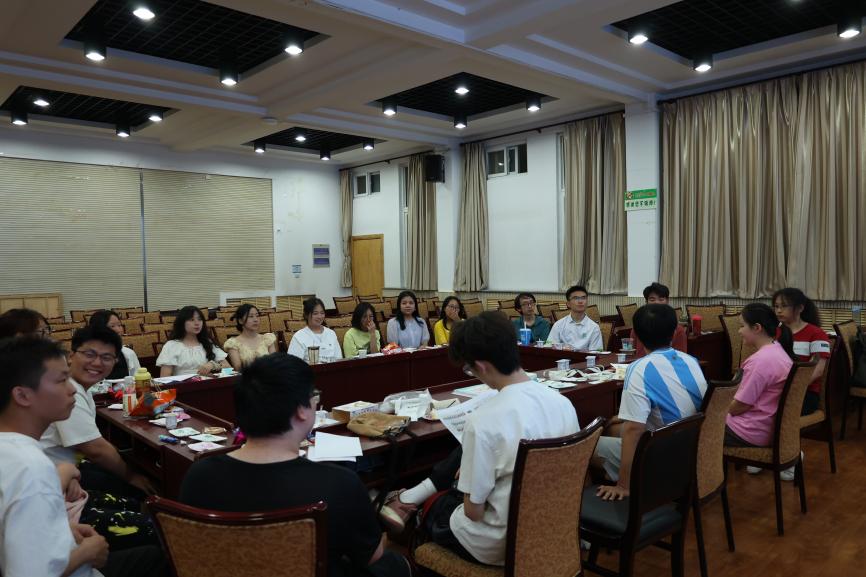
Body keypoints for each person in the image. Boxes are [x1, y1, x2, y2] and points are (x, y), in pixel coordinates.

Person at [179, 354, 411, 577]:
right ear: (301, 410)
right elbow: (371, 557)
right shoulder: (340, 484)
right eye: (314, 396)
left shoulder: (199, 475)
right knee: (394, 565)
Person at [384, 312, 579, 566]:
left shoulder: (483, 421)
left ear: (482, 366)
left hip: (500, 544)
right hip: (553, 528)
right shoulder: (563, 403)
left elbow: (473, 513)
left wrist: (466, 478)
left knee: (439, 506)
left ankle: (408, 519)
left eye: (469, 369)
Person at [0, 336, 163, 577]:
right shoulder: (32, 468)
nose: (71, 389)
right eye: (61, 380)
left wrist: (64, 532)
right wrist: (86, 553)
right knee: (162, 552)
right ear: (23, 396)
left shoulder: (11, 450)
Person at [593, 304, 707, 500]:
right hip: (693, 446)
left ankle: (621, 488)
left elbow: (634, 430)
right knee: (611, 429)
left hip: (664, 456)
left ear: (636, 335)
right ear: (674, 333)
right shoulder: (690, 360)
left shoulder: (639, 368)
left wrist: (624, 486)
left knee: (587, 446)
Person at [40, 327, 156, 498]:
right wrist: (131, 477)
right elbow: (95, 449)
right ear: (71, 356)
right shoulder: (66, 391)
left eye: (106, 357)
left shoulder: (79, 387)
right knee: (139, 492)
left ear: (115, 361)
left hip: (65, 468)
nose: (96, 363)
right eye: (89, 354)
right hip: (48, 478)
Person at [725, 304, 794, 450]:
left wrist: (715, 408)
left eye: (742, 326)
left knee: (689, 430)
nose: (739, 331)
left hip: (748, 431)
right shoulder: (778, 350)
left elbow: (739, 407)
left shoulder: (760, 361)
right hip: (764, 428)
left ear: (757, 328)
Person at [772, 288, 830, 416]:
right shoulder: (775, 333)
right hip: (776, 389)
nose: (779, 310)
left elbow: (818, 370)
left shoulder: (817, 333)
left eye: (784, 306)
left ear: (800, 308)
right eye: (776, 306)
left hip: (804, 393)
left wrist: (790, 388)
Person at [156, 305, 229, 377]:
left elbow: (228, 368)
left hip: (208, 382)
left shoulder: (207, 343)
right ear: (182, 323)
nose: (197, 323)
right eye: (191, 320)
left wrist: (213, 365)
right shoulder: (171, 345)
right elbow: (164, 377)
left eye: (199, 319)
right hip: (183, 384)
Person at [628, 283, 687, 357]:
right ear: (646, 302)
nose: (657, 302)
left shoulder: (677, 330)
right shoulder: (638, 327)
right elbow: (631, 353)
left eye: (661, 299)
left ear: (667, 301)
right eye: (652, 300)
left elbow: (681, 357)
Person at [547, 285, 603, 351]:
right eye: (576, 298)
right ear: (568, 304)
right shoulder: (558, 325)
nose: (580, 301)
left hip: (585, 357)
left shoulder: (594, 327)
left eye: (583, 298)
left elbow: (596, 352)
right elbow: (550, 347)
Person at [88, 310, 141, 379]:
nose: (118, 330)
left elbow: (139, 379)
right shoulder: (86, 356)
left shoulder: (128, 353)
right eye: (112, 326)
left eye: (119, 325)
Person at [223, 304, 277, 370]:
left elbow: (275, 363)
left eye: (257, 316)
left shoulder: (267, 338)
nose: (255, 320)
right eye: (251, 316)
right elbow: (238, 368)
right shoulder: (233, 343)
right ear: (240, 321)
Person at [288, 297, 343, 363]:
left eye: (322, 313)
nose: (319, 317)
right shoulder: (299, 336)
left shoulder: (331, 333)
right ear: (306, 315)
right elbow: (292, 364)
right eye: (315, 313)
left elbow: (338, 359)